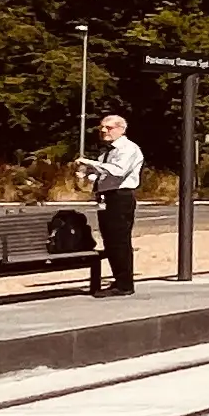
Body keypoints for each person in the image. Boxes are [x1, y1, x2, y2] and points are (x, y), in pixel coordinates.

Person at [80, 111, 143, 294]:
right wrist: (88, 175)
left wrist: (91, 162)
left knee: (120, 241)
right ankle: (118, 279)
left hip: (120, 198)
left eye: (109, 127)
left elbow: (118, 171)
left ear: (121, 130)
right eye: (102, 127)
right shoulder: (107, 151)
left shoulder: (128, 149)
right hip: (106, 197)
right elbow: (105, 174)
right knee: (110, 241)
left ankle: (125, 284)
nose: (104, 130)